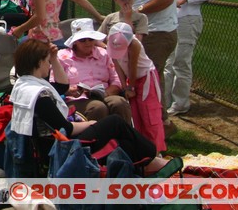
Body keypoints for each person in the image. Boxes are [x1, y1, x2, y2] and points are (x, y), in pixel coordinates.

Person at [10, 39, 171, 174]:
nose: (49, 66)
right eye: (47, 62)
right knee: (114, 122)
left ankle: (143, 165)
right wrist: (91, 124)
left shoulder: (24, 85)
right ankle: (151, 154)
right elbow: (65, 127)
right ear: (39, 63)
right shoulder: (40, 95)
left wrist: (54, 58)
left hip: (49, 144)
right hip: (60, 148)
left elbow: (62, 85)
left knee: (124, 142)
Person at [117, 0, 178, 134]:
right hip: (150, 31)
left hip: (158, 33)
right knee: (150, 77)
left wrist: (138, 11)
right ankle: (157, 122)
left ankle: (158, 123)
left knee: (149, 79)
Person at [163, 0, 215, 116]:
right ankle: (166, 101)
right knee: (170, 62)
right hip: (177, 20)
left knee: (181, 63)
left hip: (188, 20)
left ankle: (181, 103)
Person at [57, 18, 132, 124]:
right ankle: (96, 139)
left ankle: (125, 138)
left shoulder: (104, 54)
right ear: (75, 42)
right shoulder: (62, 56)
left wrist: (108, 92)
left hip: (105, 94)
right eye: (82, 40)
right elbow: (55, 84)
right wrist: (69, 89)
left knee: (119, 103)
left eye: (91, 39)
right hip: (77, 99)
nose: (87, 43)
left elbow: (116, 78)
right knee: (97, 107)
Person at [106, 22, 165, 152]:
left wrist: (131, 87)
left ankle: (155, 149)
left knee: (148, 113)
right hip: (130, 80)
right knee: (135, 115)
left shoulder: (135, 44)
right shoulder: (111, 42)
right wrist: (124, 86)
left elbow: (133, 67)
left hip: (144, 78)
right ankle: (141, 148)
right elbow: (117, 64)